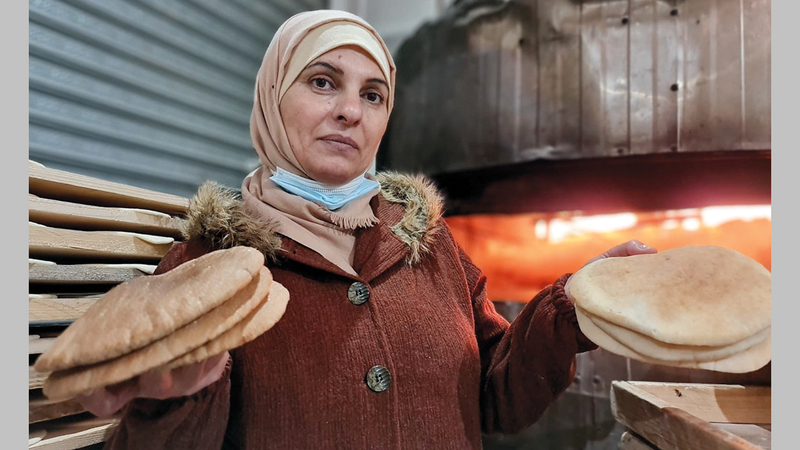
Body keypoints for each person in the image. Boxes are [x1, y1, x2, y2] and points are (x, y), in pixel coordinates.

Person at [75, 9, 657, 449]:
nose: (350, 110)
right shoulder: (206, 266)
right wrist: (171, 399)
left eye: (372, 95)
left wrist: (572, 308)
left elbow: (498, 398)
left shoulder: (428, 246)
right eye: (323, 82)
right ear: (273, 97)